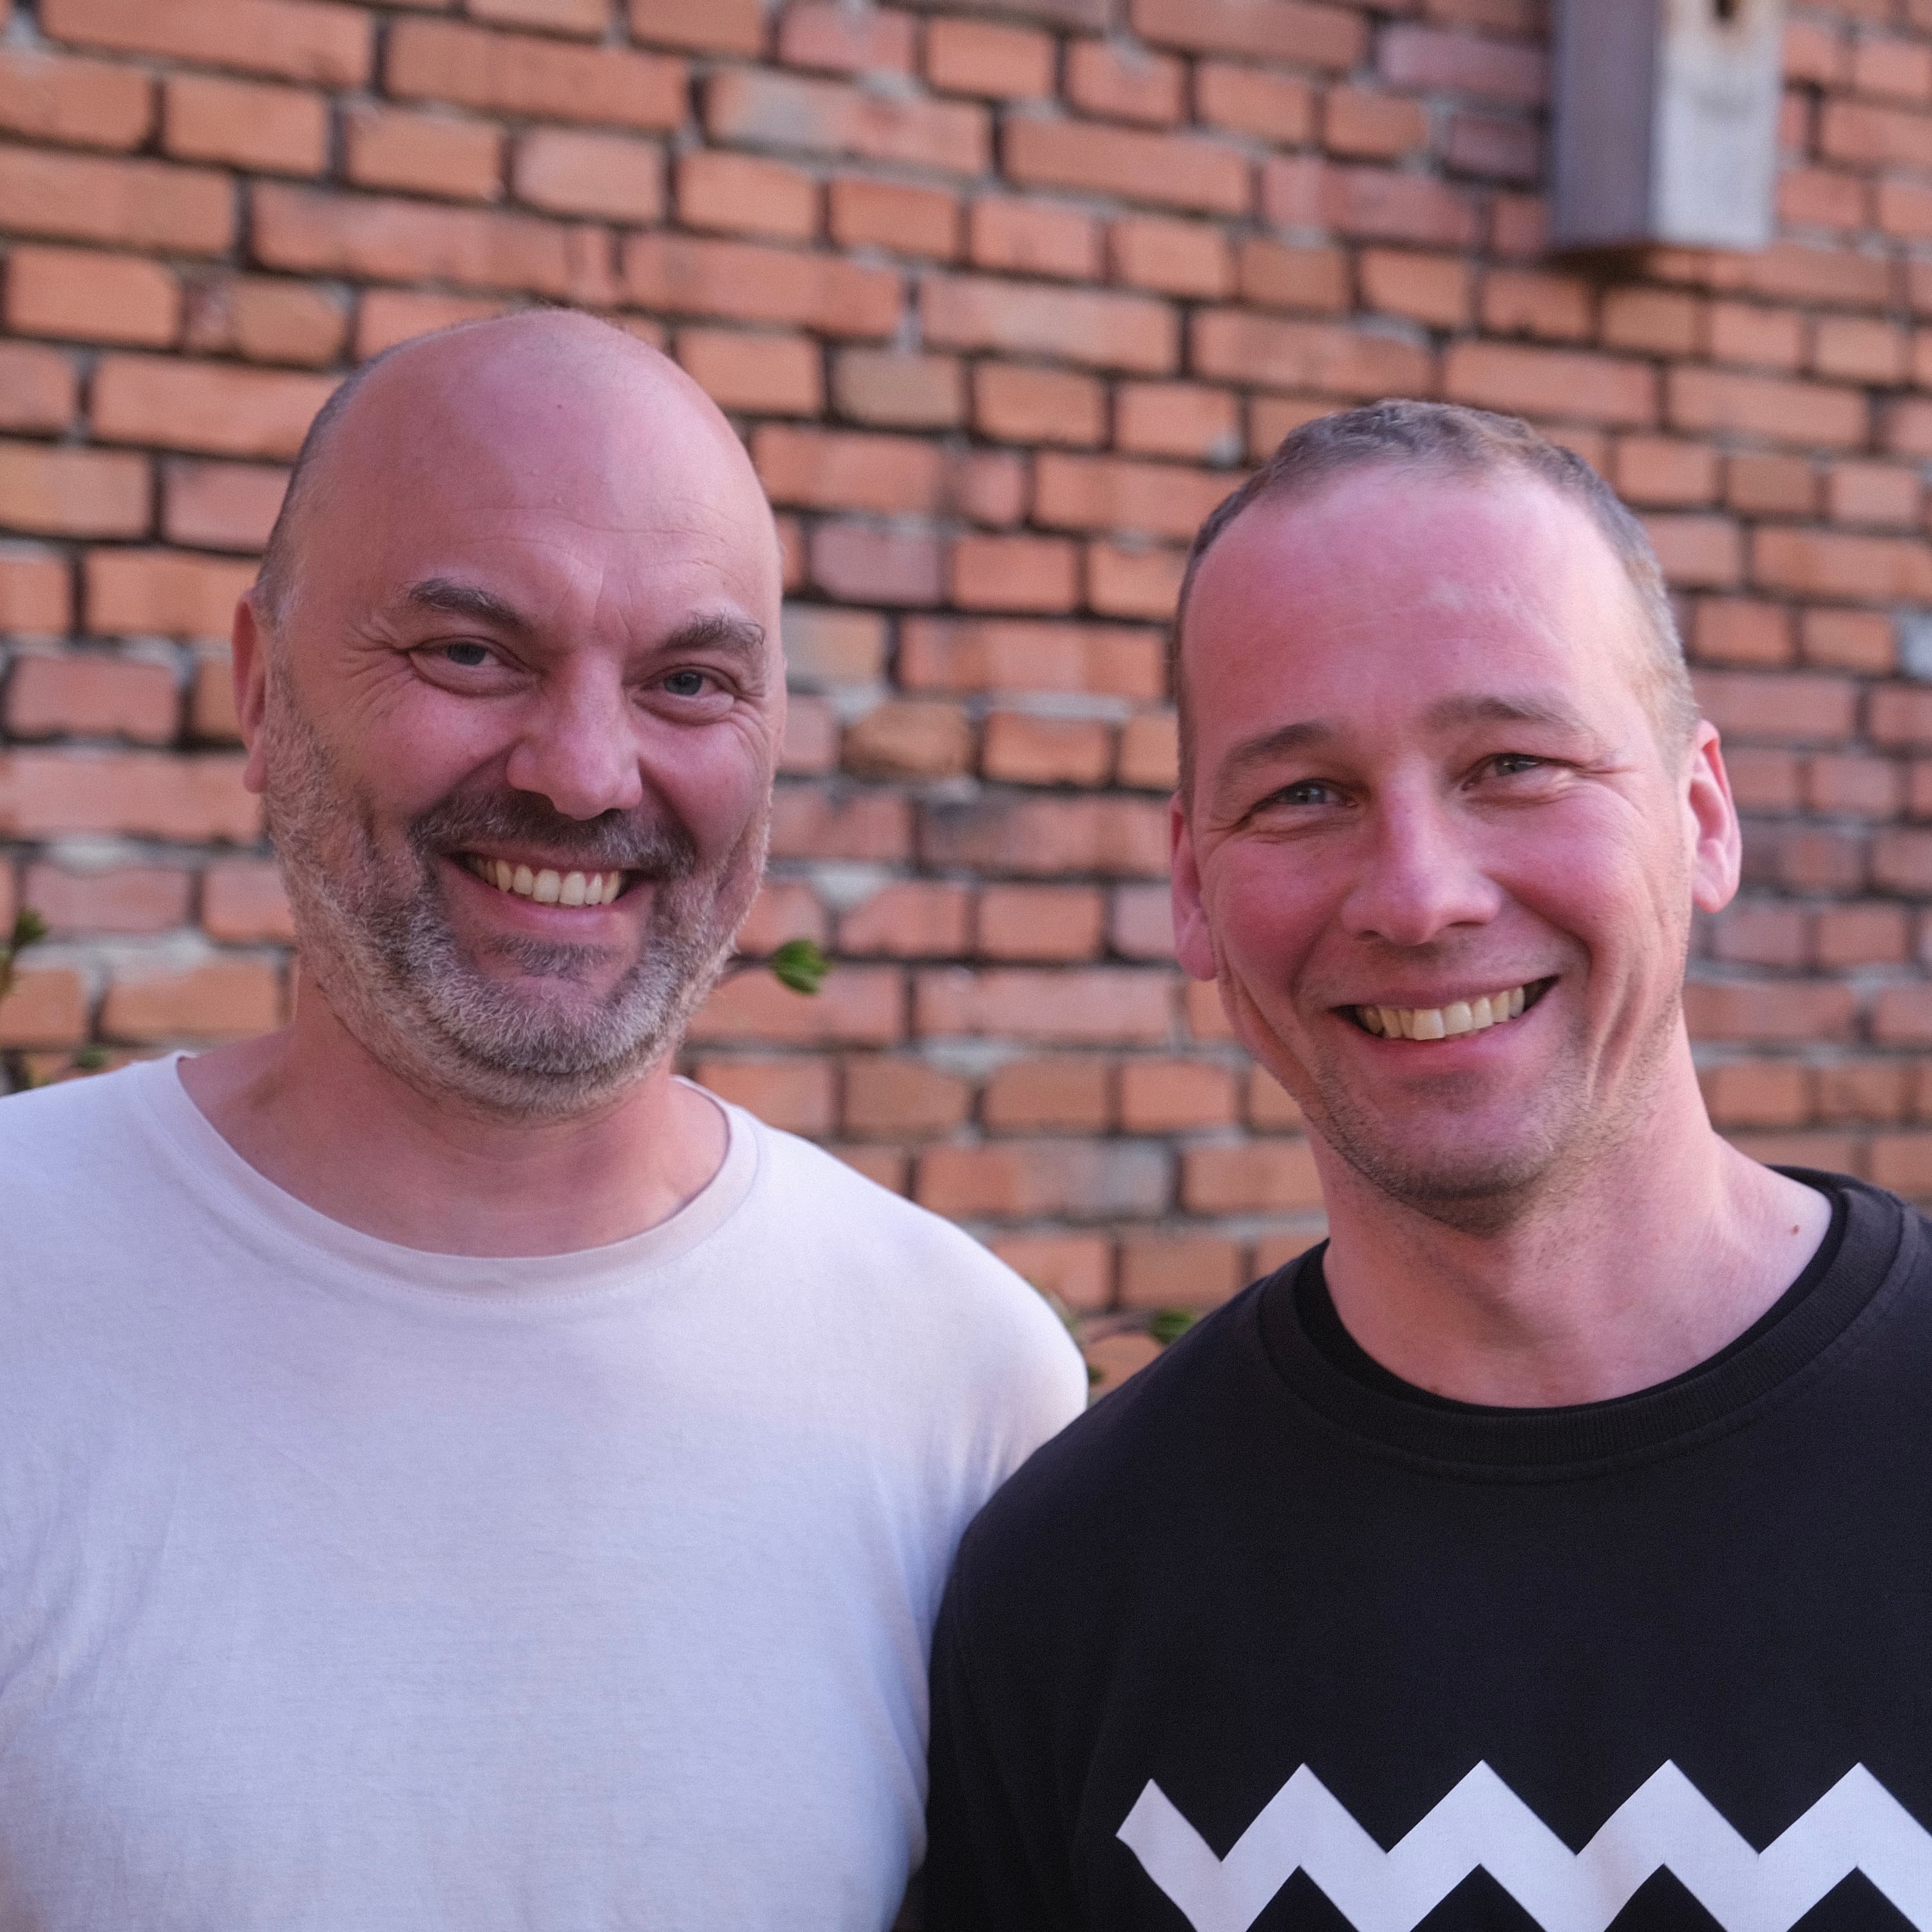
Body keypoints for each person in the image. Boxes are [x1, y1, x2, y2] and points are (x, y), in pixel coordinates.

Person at [0, 311, 1086, 1931]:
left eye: (689, 683)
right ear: (261, 691)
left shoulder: (963, 1386)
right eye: (470, 654)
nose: (585, 774)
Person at [923, 401, 1932, 1932]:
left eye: (1514, 763)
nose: (1418, 895)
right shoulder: (1069, 1588)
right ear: (1192, 887)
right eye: (1304, 796)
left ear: (1703, 816)